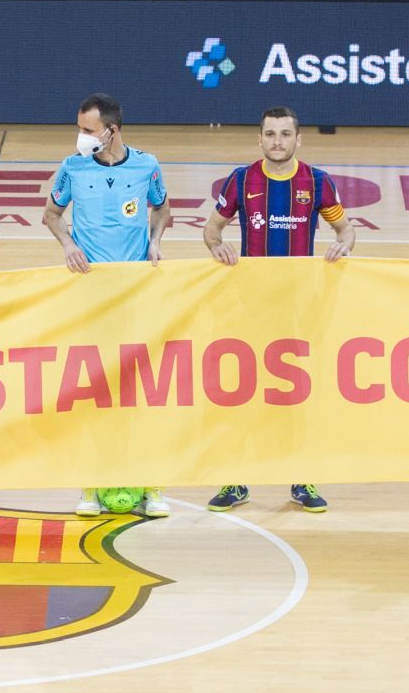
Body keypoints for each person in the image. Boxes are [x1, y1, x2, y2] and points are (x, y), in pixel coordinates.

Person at [202, 105, 355, 515]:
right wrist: (217, 246)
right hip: (249, 306)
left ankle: (301, 479)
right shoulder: (241, 180)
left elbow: (346, 228)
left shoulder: (318, 183)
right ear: (260, 139)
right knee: (243, 392)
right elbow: (211, 229)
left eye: (285, 134)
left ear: (298, 139)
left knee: (295, 395)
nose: (277, 142)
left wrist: (343, 244)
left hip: (299, 308)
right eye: (270, 134)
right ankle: (236, 480)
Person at [41, 93, 173, 518]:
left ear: (111, 131)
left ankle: (152, 485)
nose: (80, 137)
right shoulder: (72, 168)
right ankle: (91, 487)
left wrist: (154, 241)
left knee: (140, 393)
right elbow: (51, 215)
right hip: (91, 298)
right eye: (79, 128)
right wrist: (68, 245)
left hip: (135, 296)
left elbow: (162, 208)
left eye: (87, 130)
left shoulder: (146, 165)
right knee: (94, 393)